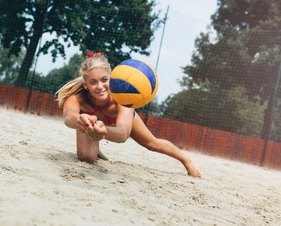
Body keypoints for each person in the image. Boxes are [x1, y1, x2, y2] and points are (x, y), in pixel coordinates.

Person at [55, 52, 201, 178]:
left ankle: (186, 161)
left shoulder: (124, 97)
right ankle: (95, 144)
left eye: (104, 80)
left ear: (111, 77)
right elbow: (69, 118)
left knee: (152, 143)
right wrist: (82, 120)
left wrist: (103, 132)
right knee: (86, 158)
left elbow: (123, 134)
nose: (100, 86)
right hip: (91, 123)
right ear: (86, 84)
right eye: (93, 82)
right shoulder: (77, 97)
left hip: (114, 124)